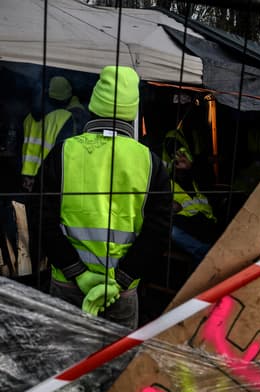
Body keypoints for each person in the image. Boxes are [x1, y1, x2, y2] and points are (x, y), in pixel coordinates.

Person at [39, 66, 171, 330]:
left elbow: (41, 219)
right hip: (120, 293)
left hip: (68, 285)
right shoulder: (151, 162)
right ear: (132, 111)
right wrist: (120, 281)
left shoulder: (63, 153)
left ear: (93, 106)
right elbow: (158, 231)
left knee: (64, 366)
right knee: (115, 368)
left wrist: (77, 272)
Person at [20, 76, 88, 192]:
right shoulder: (64, 117)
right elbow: (68, 154)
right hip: (51, 180)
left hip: (27, 180)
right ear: (66, 98)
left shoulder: (29, 118)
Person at [162, 129, 217, 264]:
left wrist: (190, 167)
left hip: (206, 223)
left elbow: (204, 180)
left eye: (183, 155)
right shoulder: (166, 183)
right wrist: (170, 206)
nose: (180, 159)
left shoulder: (196, 177)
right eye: (176, 157)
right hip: (185, 225)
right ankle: (206, 255)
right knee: (172, 232)